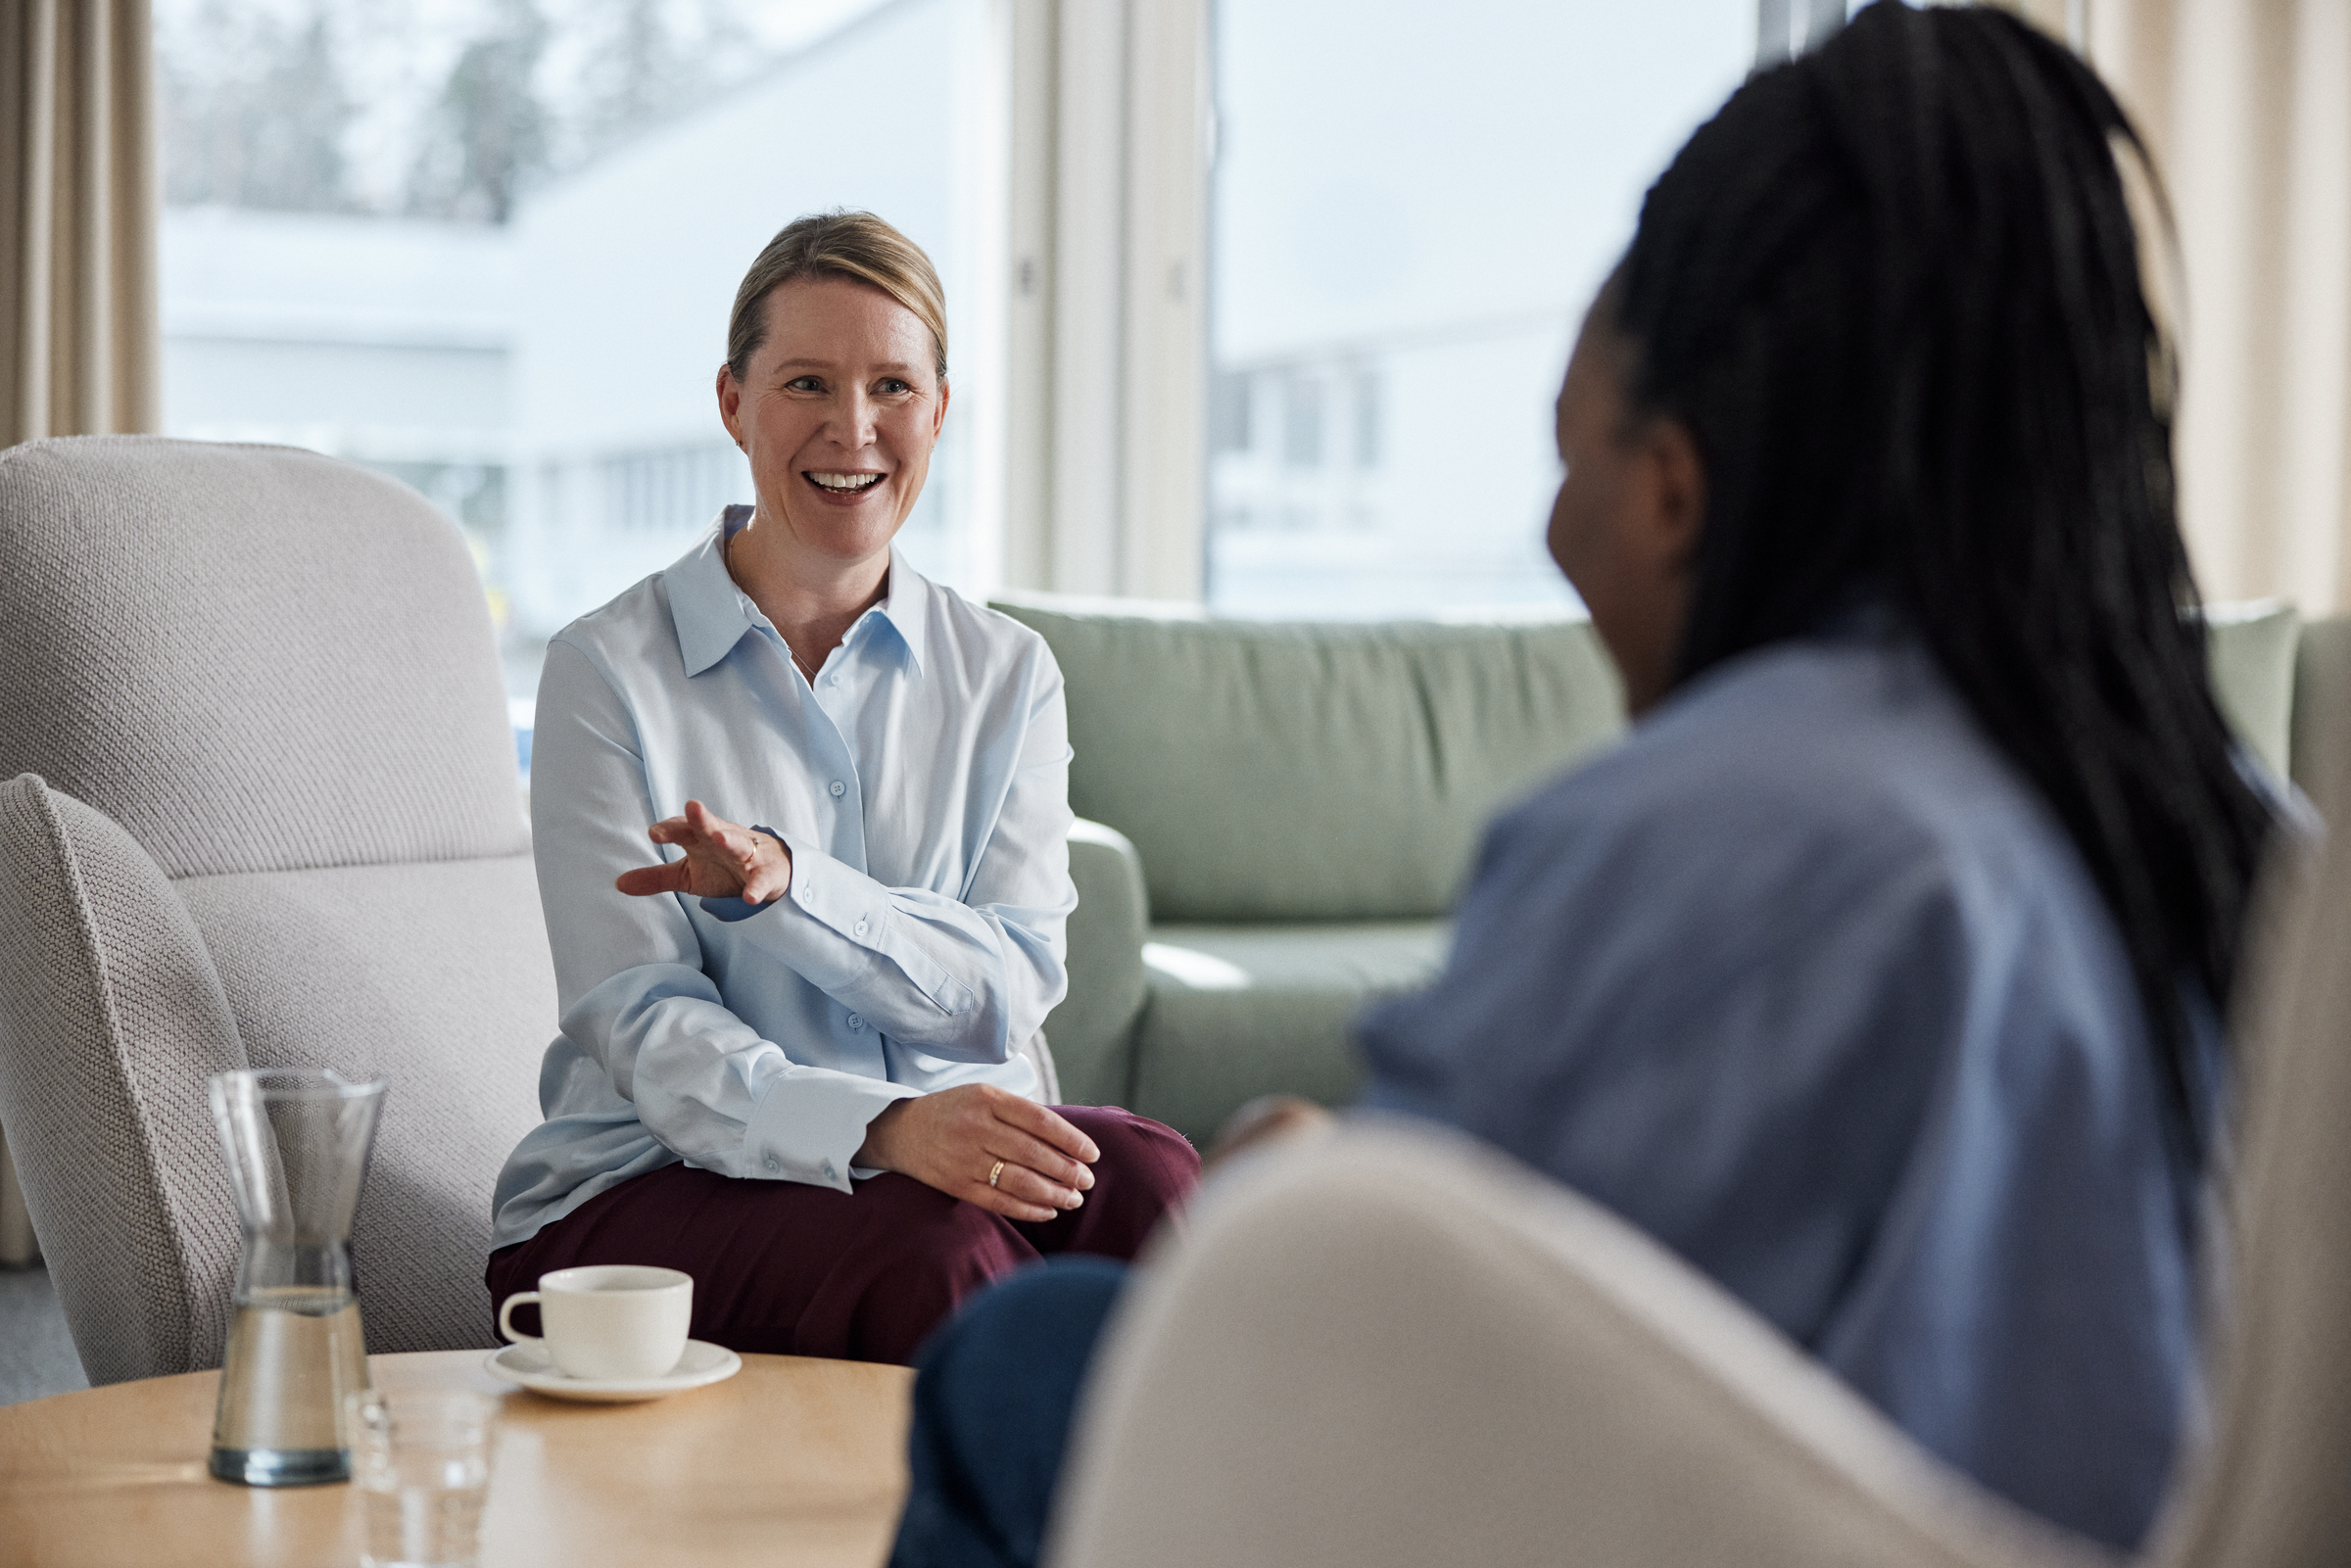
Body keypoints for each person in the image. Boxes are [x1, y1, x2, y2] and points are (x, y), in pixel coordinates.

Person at [885, 4, 2280, 1559]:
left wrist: (1284, 1218)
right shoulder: (2242, 835)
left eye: (1572, 459)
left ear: (1676, 486)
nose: (1555, 530)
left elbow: (1407, 1377)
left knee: (1013, 1362)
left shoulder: (1722, 828)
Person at [485, 211, 1198, 1367]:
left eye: (893, 387)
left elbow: (1007, 987)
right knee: (933, 1252)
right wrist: (880, 1125)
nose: (853, 428)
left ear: (939, 410)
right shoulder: (606, 670)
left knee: (1155, 1178)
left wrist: (795, 887)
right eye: (807, 382)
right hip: (647, 1183)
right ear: (735, 404)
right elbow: (644, 1025)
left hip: (936, 1162)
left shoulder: (1007, 673)